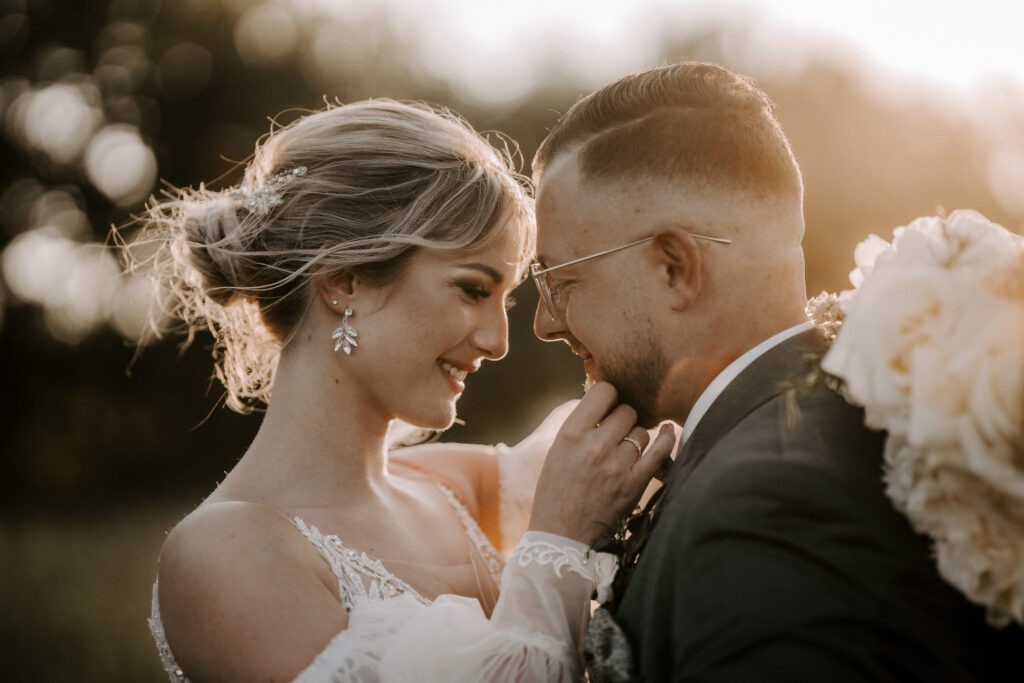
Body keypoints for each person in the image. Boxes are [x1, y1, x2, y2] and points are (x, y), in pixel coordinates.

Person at [133, 99, 675, 682]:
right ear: (345, 280)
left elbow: (643, 443)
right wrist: (557, 543)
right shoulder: (222, 554)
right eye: (472, 290)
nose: (499, 342)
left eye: (507, 300)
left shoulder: (459, 488)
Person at [528, 61, 1024, 681]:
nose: (545, 323)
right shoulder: (855, 418)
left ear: (675, 268)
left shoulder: (762, 504)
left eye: (559, 282)